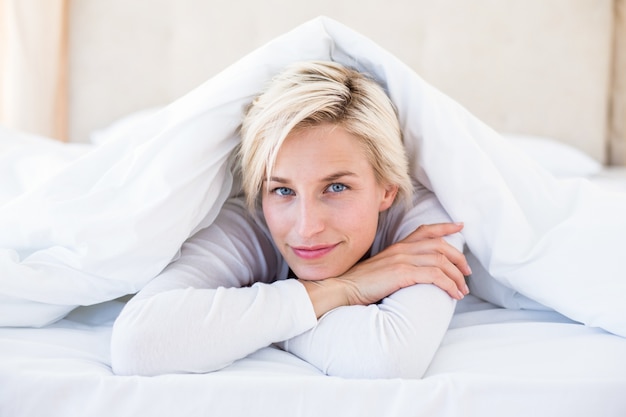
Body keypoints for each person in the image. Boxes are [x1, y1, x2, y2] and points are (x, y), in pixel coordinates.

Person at [110, 61, 471, 379]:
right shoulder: (253, 219)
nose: (306, 227)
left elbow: (387, 358)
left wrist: (241, 325)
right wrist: (344, 289)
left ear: (387, 189)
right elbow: (137, 343)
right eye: (283, 190)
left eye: (336, 187)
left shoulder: (425, 228)